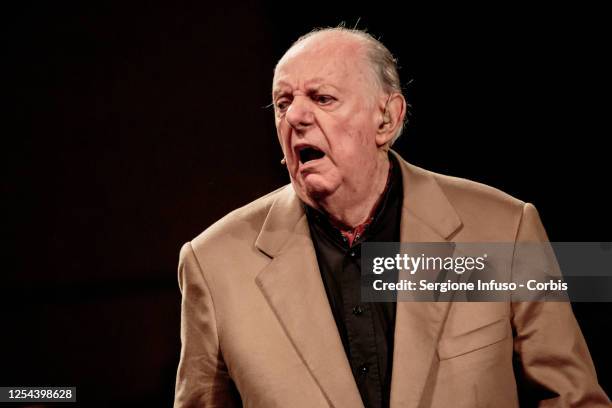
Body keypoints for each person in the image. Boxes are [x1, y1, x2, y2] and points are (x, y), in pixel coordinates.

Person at [173, 27, 609, 408]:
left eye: (323, 98)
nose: (297, 117)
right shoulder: (215, 265)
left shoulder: (503, 230)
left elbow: (572, 398)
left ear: (387, 118)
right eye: (283, 103)